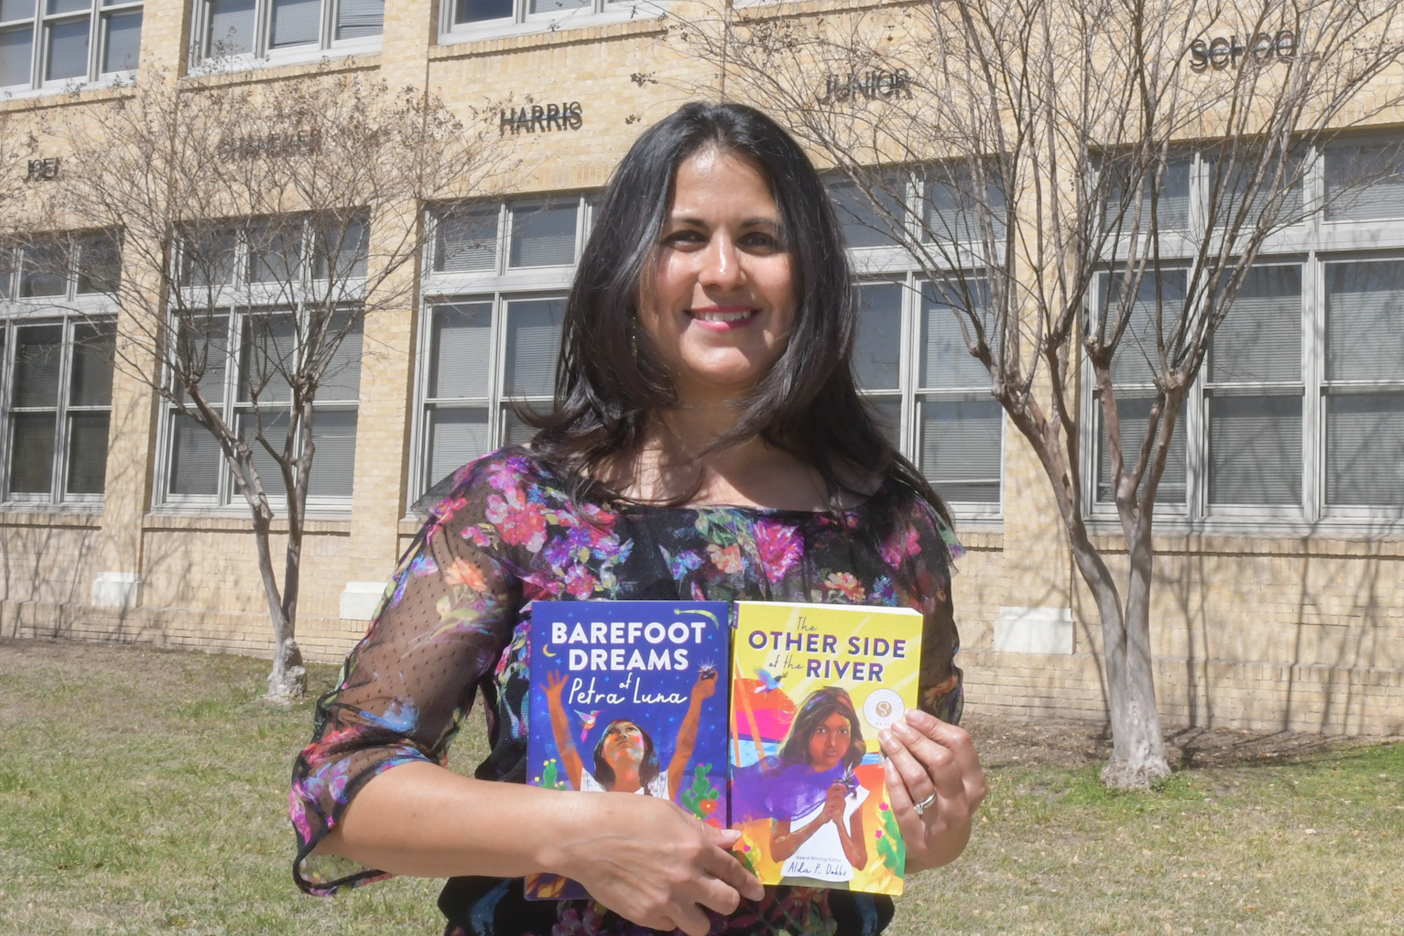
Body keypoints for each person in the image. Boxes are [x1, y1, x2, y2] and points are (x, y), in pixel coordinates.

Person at [290, 101, 986, 936]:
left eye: (760, 239)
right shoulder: (517, 509)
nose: (723, 270)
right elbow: (340, 792)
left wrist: (936, 827)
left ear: (810, 273)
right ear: (627, 265)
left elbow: (907, 827)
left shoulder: (893, 532)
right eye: (684, 237)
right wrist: (580, 835)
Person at [542, 667, 718, 800]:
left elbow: (684, 749)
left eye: (630, 730)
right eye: (612, 732)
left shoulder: (660, 789)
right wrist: (554, 702)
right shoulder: (590, 790)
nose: (622, 735)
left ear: (646, 745)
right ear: (601, 753)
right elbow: (566, 747)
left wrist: (697, 699)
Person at [764, 688, 869, 883]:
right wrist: (821, 818)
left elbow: (860, 861)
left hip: (840, 890)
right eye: (821, 730)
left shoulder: (853, 791)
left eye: (842, 731)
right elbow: (777, 853)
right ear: (805, 733)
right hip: (792, 886)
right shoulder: (787, 786)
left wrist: (839, 823)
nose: (832, 742)